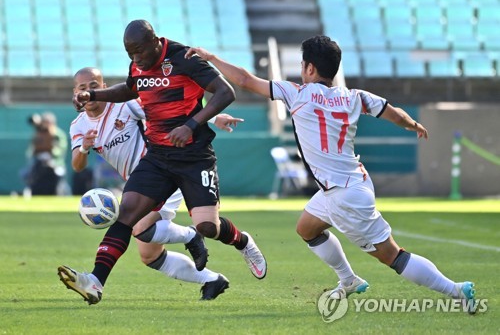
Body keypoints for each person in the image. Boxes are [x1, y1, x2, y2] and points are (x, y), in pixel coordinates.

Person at [185, 35, 477, 313]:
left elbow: (245, 80)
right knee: (307, 228)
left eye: (302, 65)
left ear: (310, 68)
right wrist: (413, 124)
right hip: (350, 183)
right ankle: (349, 279)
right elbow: (393, 112)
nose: (301, 71)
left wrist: (211, 58)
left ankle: (456, 291)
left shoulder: (297, 94)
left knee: (393, 256)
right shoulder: (354, 96)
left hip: (344, 195)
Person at [58, 20, 267, 305]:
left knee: (208, 227)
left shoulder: (184, 57)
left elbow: (225, 92)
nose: (136, 59)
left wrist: (192, 125)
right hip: (157, 158)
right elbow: (131, 89)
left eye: (139, 52)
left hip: (194, 156)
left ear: (155, 41)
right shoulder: (137, 67)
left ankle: (242, 241)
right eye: (130, 54)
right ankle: (95, 281)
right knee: (128, 217)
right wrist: (92, 95)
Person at [21, 112, 68, 195]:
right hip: (39, 163)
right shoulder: (39, 133)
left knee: (59, 180)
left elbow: (61, 148)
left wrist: (51, 155)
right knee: (28, 175)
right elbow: (32, 148)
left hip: (55, 163)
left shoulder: (58, 134)